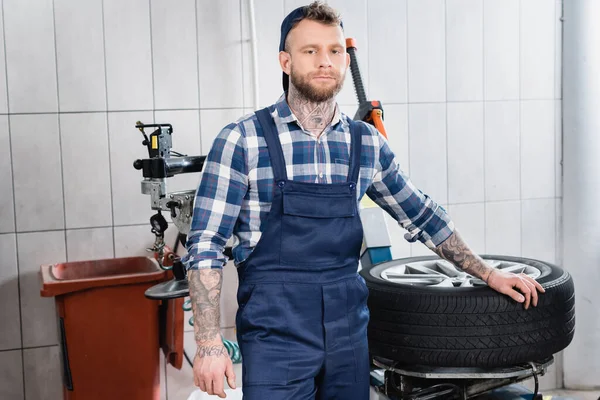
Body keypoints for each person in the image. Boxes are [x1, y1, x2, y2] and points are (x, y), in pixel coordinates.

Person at [182, 2, 545, 399]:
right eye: (311, 51)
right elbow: (206, 247)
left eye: (335, 51)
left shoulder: (365, 142)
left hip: (348, 336)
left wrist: (489, 273)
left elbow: (422, 215)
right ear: (285, 61)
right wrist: (209, 344)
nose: (326, 62)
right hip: (275, 335)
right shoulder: (243, 140)